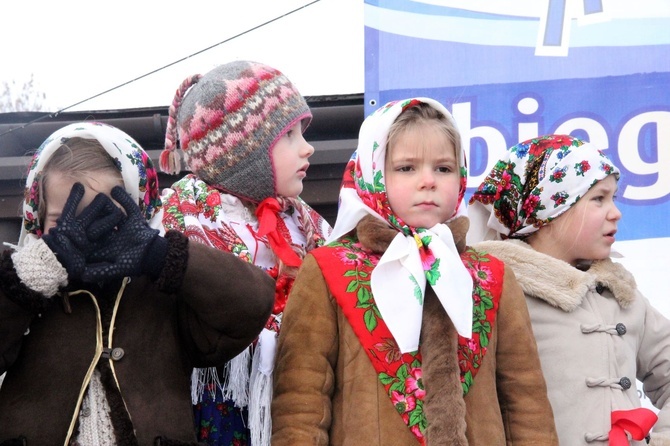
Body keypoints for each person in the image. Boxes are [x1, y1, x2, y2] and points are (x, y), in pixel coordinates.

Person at [271, 98, 558, 445]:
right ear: (374, 172)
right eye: (406, 168)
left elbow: (525, 406)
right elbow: (301, 405)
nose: (428, 181)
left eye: (443, 168)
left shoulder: (492, 276)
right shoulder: (327, 271)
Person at [0, 122, 275, 445]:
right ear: (38, 215)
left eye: (106, 218)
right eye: (64, 222)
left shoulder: (159, 289)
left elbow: (250, 307)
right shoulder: (20, 280)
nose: (87, 235)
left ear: (139, 215)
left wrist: (163, 255)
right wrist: (30, 278)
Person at [159, 60, 332, 446]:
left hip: (300, 398)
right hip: (219, 406)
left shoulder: (308, 227)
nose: (308, 147)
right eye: (289, 135)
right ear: (241, 151)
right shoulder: (185, 222)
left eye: (302, 132)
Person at [468, 134, 670, 445]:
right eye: (598, 198)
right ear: (548, 212)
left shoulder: (621, 295)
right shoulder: (497, 293)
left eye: (613, 198)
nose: (616, 212)